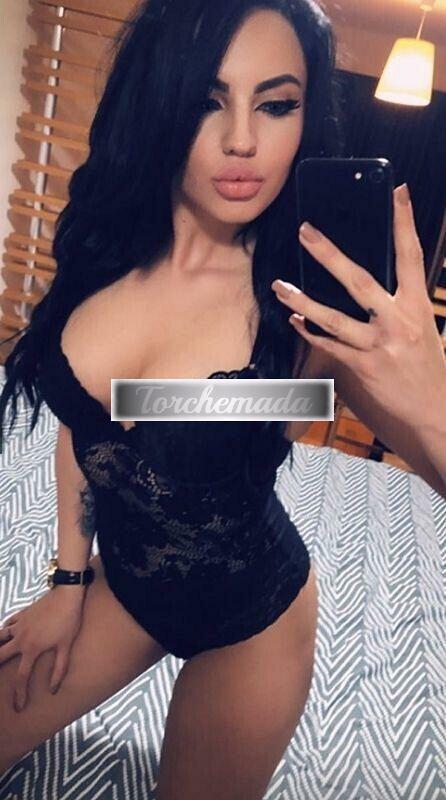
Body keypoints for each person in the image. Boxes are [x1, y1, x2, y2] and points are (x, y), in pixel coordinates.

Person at [0, 0, 445, 795]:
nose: (242, 139)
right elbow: (85, 428)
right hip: (125, 585)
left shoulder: (313, 302)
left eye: (276, 105)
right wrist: (67, 582)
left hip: (253, 617)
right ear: (159, 101)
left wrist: (430, 396)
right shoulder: (106, 244)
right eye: (209, 99)